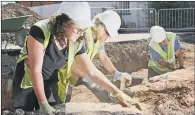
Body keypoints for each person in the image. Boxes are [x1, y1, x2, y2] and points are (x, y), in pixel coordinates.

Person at [12, 2, 135, 115]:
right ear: (64, 23)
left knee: (54, 109)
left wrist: (116, 92)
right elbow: (35, 70)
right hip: (28, 81)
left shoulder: (75, 41)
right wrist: (43, 103)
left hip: (51, 79)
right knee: (24, 111)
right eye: (78, 29)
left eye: (83, 30)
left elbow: (91, 71)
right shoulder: (40, 31)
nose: (81, 33)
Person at [69, 10, 143, 91]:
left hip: (75, 78)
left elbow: (103, 58)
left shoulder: (98, 39)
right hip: (65, 77)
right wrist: (90, 80)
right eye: (107, 33)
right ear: (99, 26)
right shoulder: (82, 35)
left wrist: (116, 73)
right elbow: (73, 66)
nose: (108, 37)